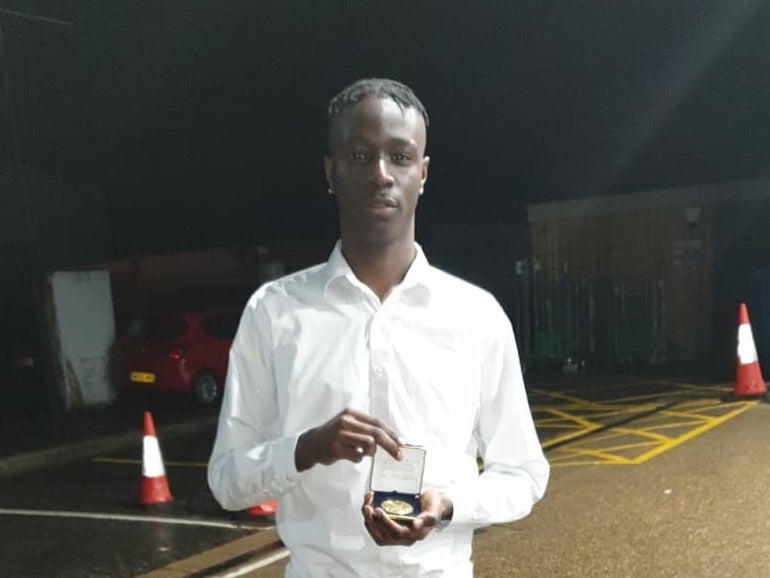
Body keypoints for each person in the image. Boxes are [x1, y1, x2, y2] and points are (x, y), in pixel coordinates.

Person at [207, 78, 549, 577]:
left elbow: (522, 474)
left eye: (401, 156)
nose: (381, 174)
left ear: (423, 173)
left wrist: (448, 505)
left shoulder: (476, 316)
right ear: (331, 171)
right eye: (360, 156)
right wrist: (306, 448)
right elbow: (227, 479)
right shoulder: (275, 313)